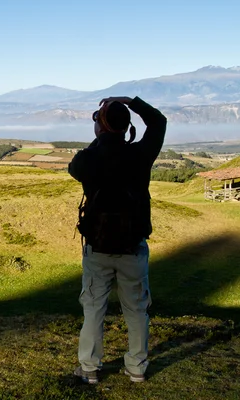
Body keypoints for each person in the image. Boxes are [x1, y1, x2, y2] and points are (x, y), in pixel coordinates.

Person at [68, 96, 167, 384]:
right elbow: (158, 121)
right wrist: (129, 102)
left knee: (93, 308)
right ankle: (136, 368)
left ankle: (89, 368)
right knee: (136, 310)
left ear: (100, 127)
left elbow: (76, 167)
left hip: (97, 248)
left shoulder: (89, 159)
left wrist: (100, 137)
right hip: (133, 246)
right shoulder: (140, 154)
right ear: (126, 128)